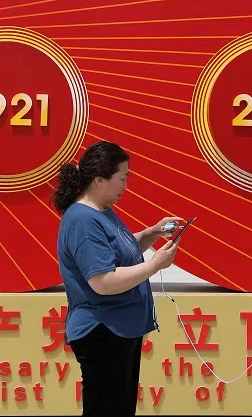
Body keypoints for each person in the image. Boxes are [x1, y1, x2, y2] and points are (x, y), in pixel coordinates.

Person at [53, 141, 181, 417]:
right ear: (100, 180)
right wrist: (155, 264)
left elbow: (117, 250)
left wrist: (151, 233)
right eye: (122, 178)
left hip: (119, 330)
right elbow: (103, 280)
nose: (125, 185)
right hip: (103, 331)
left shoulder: (101, 212)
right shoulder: (83, 220)